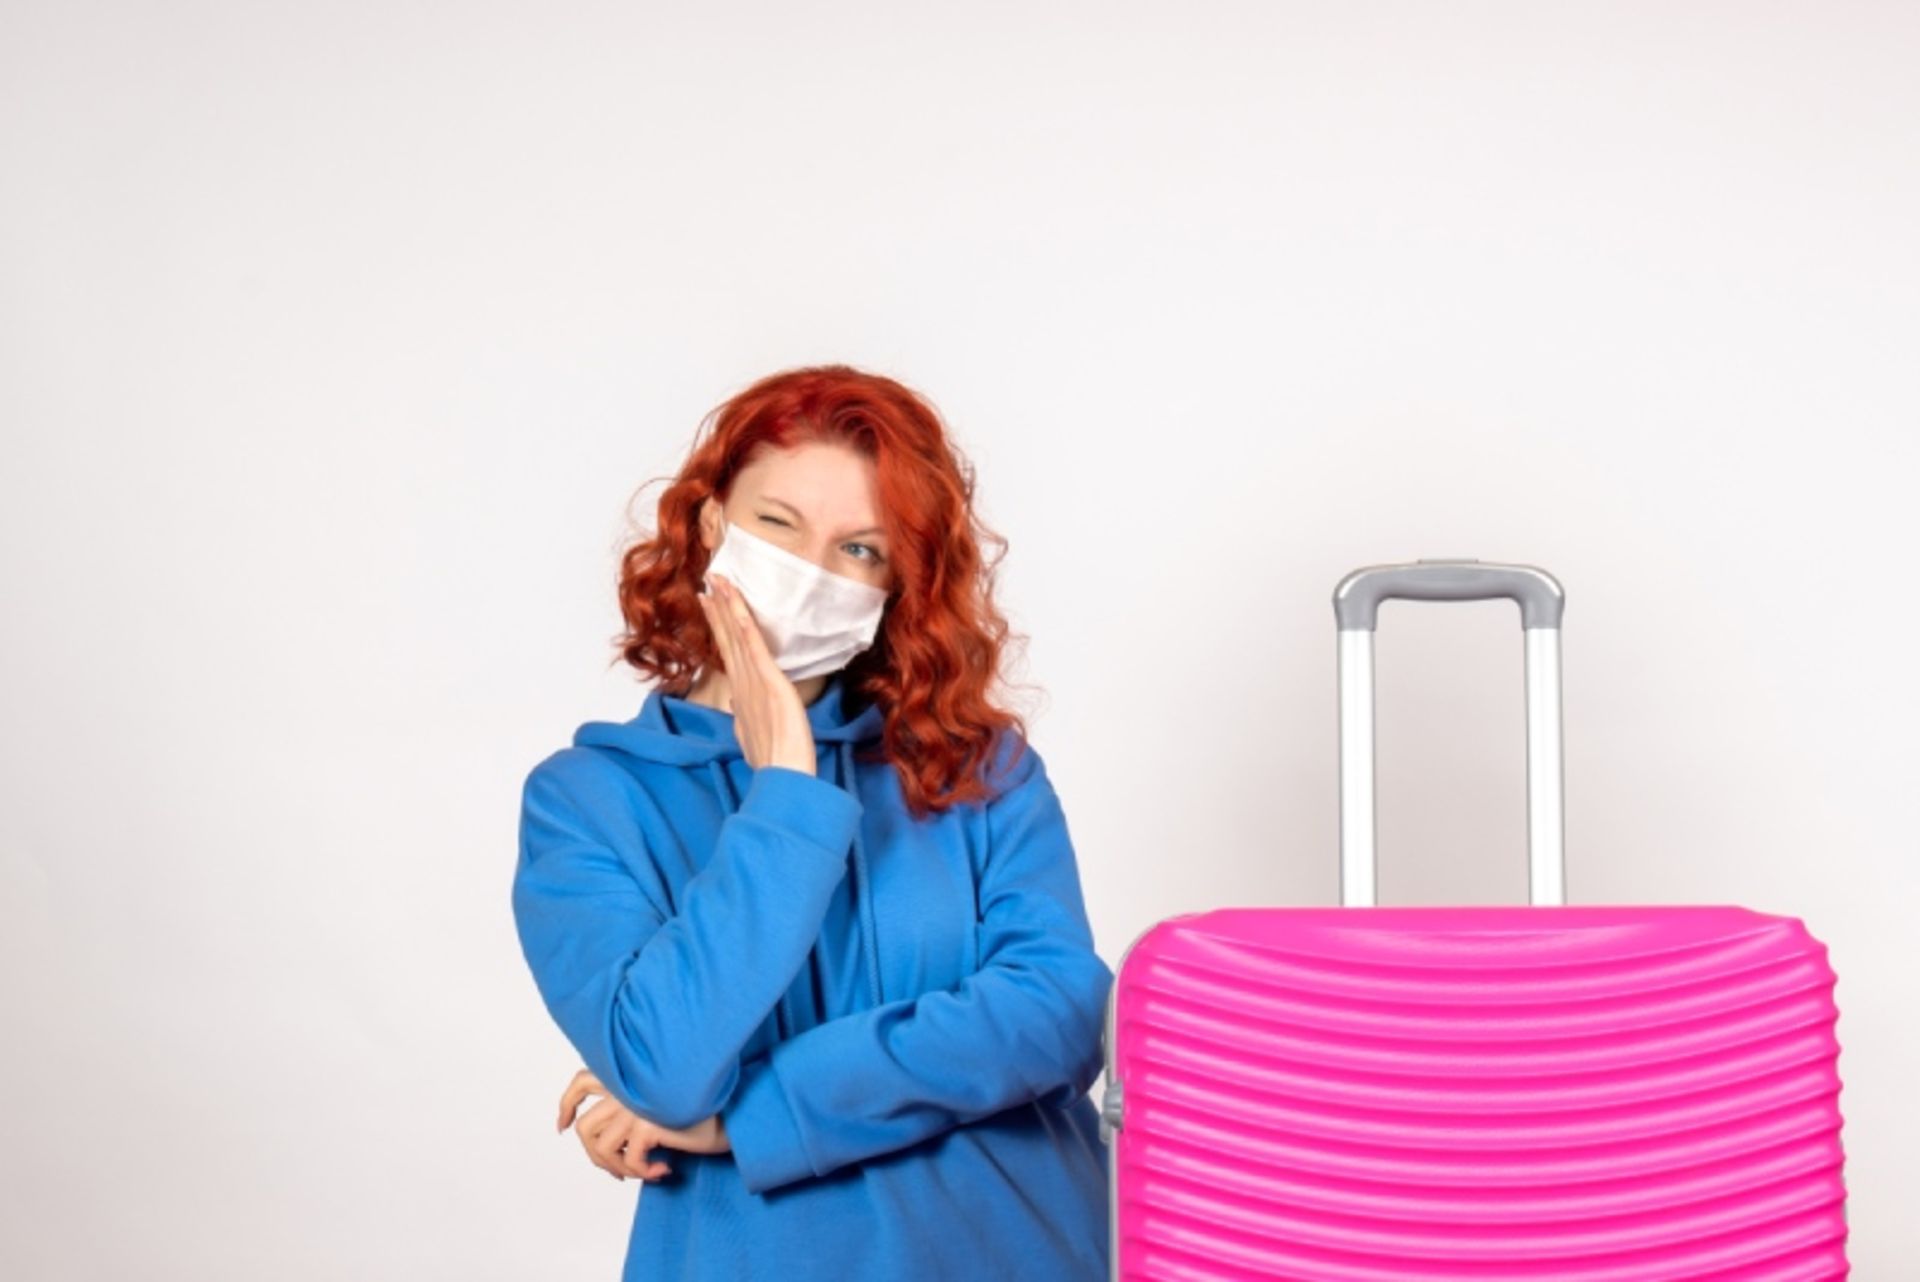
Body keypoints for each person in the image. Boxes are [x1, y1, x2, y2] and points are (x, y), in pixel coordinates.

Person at [509, 364, 1113, 1280]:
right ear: (713, 525)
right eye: (778, 525)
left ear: (899, 581)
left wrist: (756, 1113)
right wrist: (786, 786)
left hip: (1020, 1252)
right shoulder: (591, 801)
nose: (811, 572)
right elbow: (666, 1068)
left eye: (860, 549)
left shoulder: (976, 766)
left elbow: (1059, 1014)